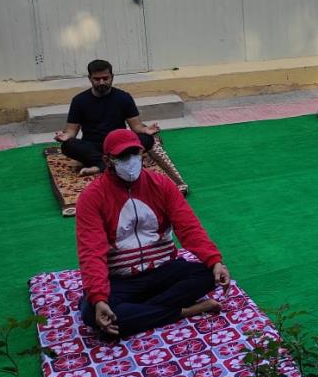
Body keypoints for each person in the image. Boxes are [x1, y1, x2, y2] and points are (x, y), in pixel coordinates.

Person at [76, 129, 231, 338]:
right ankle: (185, 310)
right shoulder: (92, 197)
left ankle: (136, 312)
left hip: (164, 269)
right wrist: (99, 297)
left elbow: (189, 227)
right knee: (90, 312)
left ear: (142, 155)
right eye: (123, 156)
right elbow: (91, 251)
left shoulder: (162, 184)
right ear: (108, 160)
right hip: (122, 279)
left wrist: (214, 261)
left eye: (135, 154)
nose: (131, 160)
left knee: (207, 275)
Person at [54, 59, 159, 176]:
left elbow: (136, 126)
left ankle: (101, 165)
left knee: (147, 139)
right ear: (90, 78)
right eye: (97, 79)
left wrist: (146, 130)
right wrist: (65, 136)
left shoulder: (124, 97)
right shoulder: (79, 100)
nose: (101, 82)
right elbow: (71, 131)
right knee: (68, 146)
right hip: (92, 145)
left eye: (105, 78)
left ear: (112, 77)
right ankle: (111, 163)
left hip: (119, 143)